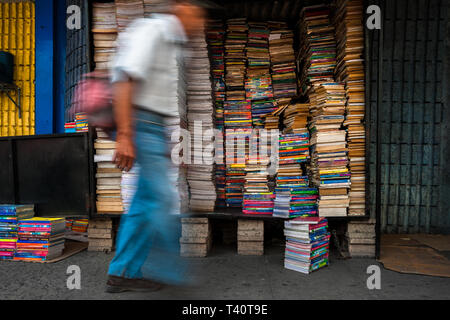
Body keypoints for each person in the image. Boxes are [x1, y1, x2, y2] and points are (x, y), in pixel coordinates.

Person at [105, 0, 206, 293]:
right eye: (197, 14)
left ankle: (123, 272)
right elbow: (125, 79)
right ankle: (171, 270)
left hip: (154, 127)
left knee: (144, 204)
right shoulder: (153, 31)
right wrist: (125, 134)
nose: (199, 22)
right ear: (182, 7)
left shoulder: (173, 43)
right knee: (160, 199)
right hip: (141, 123)